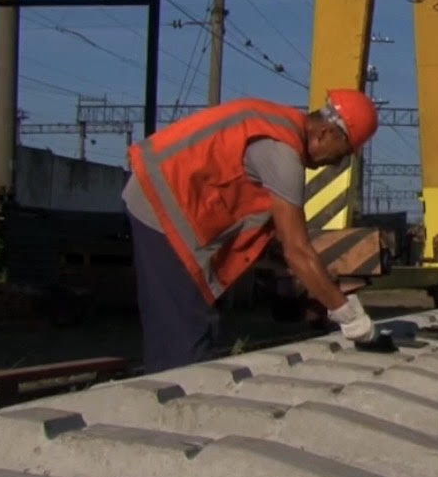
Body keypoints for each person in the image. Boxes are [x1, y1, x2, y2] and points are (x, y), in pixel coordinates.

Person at [122, 90, 380, 374]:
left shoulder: (278, 128)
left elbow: (282, 238)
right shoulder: (281, 152)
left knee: (189, 323)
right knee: (183, 336)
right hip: (161, 205)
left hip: (170, 201)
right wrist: (348, 315)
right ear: (326, 133)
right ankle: (172, 402)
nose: (336, 163)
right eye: (342, 154)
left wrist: (321, 290)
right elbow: (297, 251)